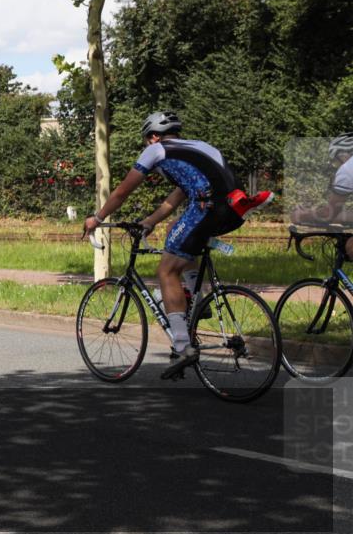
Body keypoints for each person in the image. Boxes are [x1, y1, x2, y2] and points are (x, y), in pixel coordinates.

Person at [83, 112, 273, 378]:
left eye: (147, 139)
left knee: (166, 270)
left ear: (152, 137)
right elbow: (177, 196)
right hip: (234, 209)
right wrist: (150, 221)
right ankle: (196, 303)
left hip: (207, 206)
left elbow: (122, 192)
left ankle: (183, 346)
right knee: (179, 235)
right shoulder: (197, 149)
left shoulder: (156, 151)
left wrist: (97, 218)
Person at [291, 132, 353, 260]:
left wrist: (301, 215)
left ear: (342, 153)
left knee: (351, 247)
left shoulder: (348, 169)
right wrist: (338, 217)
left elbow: (327, 213)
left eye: (335, 161)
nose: (336, 165)